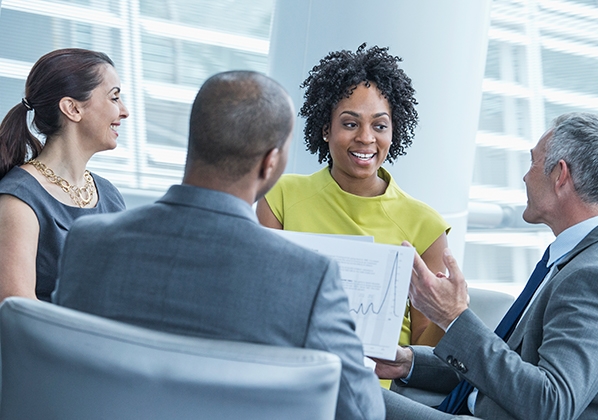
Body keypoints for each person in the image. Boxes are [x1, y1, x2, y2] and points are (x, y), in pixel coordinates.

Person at [53, 71, 384, 419]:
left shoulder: (88, 241)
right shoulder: (308, 278)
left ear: (193, 142)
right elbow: (363, 412)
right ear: (270, 162)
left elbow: (59, 375)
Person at [375, 112, 598, 420]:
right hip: (482, 405)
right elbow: (513, 367)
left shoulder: (596, 277)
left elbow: (549, 405)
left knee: (345, 390)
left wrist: (453, 317)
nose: (525, 177)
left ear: (560, 175)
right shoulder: (590, 256)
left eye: (533, 163)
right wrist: (410, 363)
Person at [256, 44, 451, 361]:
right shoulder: (280, 196)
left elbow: (423, 350)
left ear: (393, 132)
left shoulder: (425, 225)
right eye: (350, 123)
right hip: (292, 369)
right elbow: (262, 302)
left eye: (379, 125)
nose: (366, 138)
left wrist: (450, 313)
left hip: (379, 387)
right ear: (325, 129)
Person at [0, 48, 128, 302]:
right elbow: (17, 312)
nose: (124, 111)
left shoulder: (110, 196)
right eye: (114, 98)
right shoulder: (18, 201)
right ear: (72, 108)